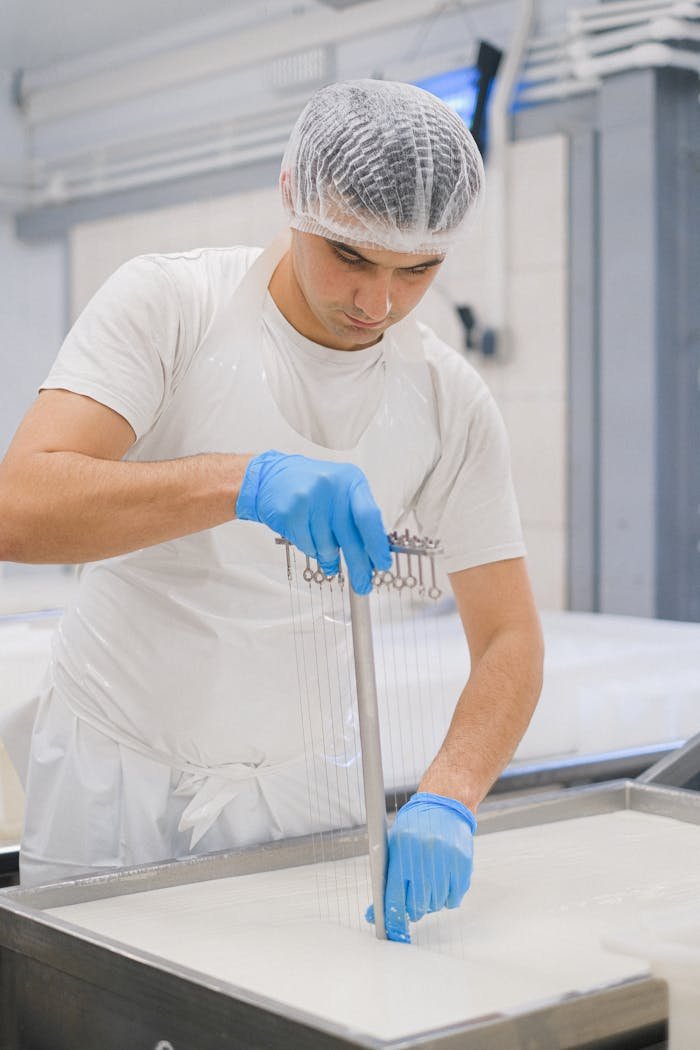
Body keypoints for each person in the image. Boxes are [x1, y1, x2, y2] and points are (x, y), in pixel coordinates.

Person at [0, 79, 543, 942]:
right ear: (293, 194)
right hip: (114, 780)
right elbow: (19, 508)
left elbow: (510, 636)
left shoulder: (447, 398)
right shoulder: (172, 307)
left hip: (302, 797)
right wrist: (242, 482)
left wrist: (449, 794)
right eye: (351, 256)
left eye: (418, 271)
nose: (378, 304)